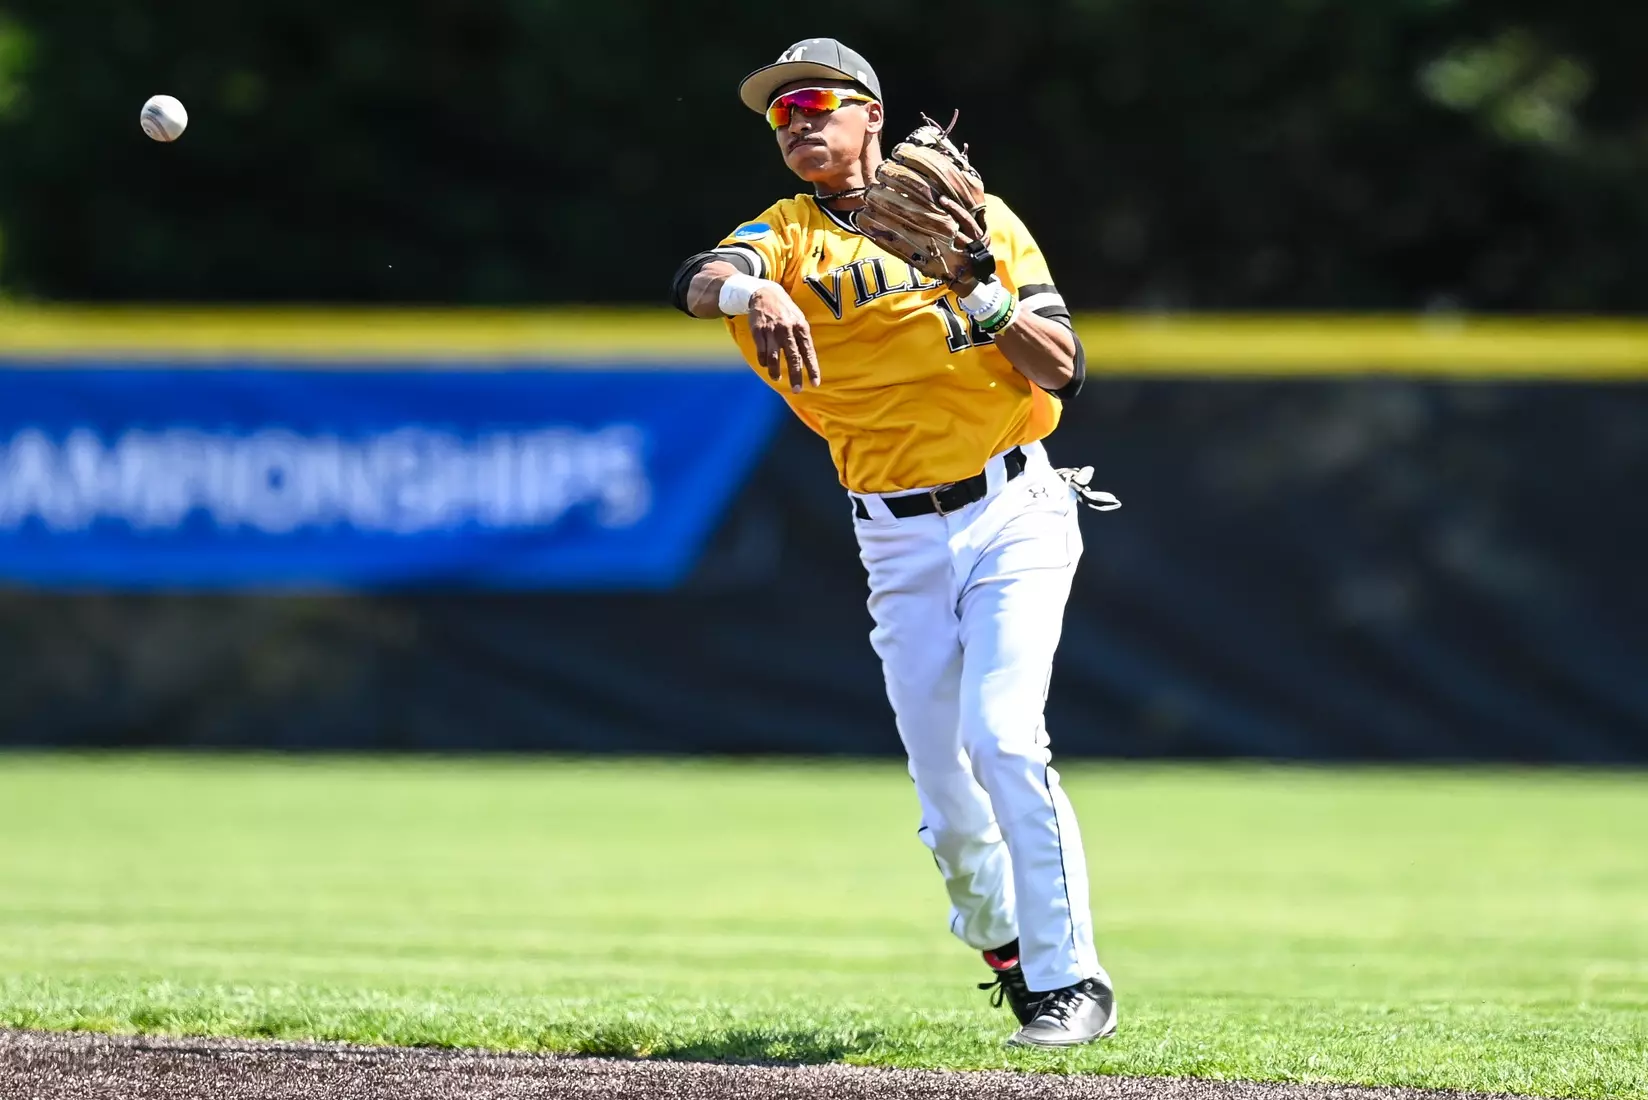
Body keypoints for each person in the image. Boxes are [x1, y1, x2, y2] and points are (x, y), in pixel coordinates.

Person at [668, 37, 1118, 1048]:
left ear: (872, 111)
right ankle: (1000, 941)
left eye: (817, 100)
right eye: (778, 115)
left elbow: (1063, 368)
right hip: (895, 540)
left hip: (1016, 510)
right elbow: (699, 278)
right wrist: (755, 290)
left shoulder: (974, 221)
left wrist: (971, 279)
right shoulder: (780, 237)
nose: (797, 122)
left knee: (1005, 734)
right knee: (948, 797)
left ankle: (1070, 979)